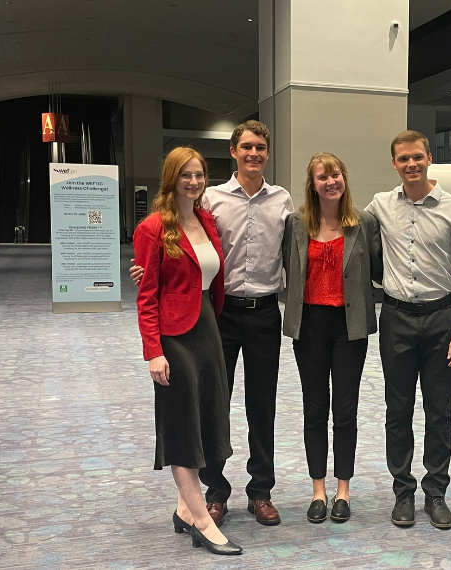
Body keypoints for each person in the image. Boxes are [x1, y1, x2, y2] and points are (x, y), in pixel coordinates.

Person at [132, 120, 293, 527]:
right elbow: (182, 247)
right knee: (211, 406)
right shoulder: (211, 201)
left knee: (262, 406)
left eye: (260, 147)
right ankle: (215, 493)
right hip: (217, 316)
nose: (253, 154)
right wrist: (147, 272)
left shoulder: (283, 200)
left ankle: (261, 492)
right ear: (234, 152)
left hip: (265, 314)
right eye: (246, 147)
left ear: (267, 153)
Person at [365, 130, 451, 529]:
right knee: (397, 411)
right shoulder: (380, 205)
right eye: (403, 159)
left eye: (417, 157)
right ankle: (403, 492)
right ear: (394, 163)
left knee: (438, 411)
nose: (411, 164)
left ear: (429, 157)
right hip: (395, 318)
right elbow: (346, 229)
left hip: (440, 321)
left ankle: (436, 492)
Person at [133, 147, 241, 555]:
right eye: (186, 175)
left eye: (199, 175)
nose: (193, 182)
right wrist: (153, 352)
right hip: (174, 337)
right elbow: (146, 297)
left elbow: (212, 277)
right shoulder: (153, 228)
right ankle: (202, 522)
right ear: (171, 178)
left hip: (207, 328)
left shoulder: (206, 219)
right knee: (182, 424)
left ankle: (183, 508)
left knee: (208, 417)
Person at [281, 153, 382, 523]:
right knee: (314, 409)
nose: (330, 182)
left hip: (348, 327)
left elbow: (382, 267)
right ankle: (318, 490)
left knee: (345, 410)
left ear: (344, 179)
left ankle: (343, 490)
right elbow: (282, 267)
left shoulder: (363, 223)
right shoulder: (295, 224)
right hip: (309, 326)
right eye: (323, 177)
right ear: (312, 184)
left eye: (336, 174)